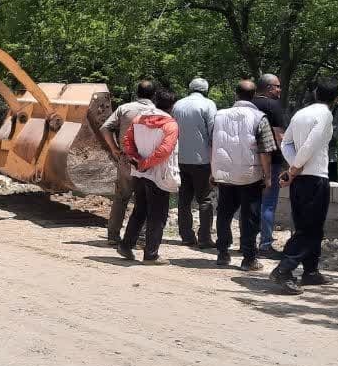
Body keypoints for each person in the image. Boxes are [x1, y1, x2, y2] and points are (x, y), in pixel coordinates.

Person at [270, 78, 338, 295]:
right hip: (315, 178)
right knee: (310, 228)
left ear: (316, 92)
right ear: (336, 97)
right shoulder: (326, 115)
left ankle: (310, 271)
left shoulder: (301, 113)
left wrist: (293, 165)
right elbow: (312, 142)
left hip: (300, 180)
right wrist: (296, 167)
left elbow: (285, 142)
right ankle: (284, 269)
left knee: (309, 226)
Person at [211, 80, 277, 270]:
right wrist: (268, 176)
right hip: (250, 176)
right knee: (250, 217)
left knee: (224, 213)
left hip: (224, 174)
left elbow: (212, 145)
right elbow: (265, 150)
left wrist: (212, 171)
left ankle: (223, 253)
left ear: (235, 94)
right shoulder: (259, 117)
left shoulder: (218, 115)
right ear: (254, 95)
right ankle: (249, 258)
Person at [117, 97, 180, 265]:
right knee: (158, 215)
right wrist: (145, 163)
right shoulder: (170, 124)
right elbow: (165, 150)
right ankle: (151, 255)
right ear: (172, 106)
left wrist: (137, 160)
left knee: (140, 210)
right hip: (159, 175)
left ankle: (126, 245)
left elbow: (127, 141)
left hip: (139, 173)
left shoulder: (138, 120)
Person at [100, 80, 157, 244]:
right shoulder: (157, 112)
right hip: (148, 162)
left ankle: (113, 236)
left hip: (126, 158)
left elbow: (105, 128)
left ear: (137, 93)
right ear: (153, 95)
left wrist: (114, 148)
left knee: (121, 197)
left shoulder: (124, 109)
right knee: (145, 200)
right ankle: (140, 237)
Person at [171, 78, 218, 248]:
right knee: (205, 199)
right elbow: (213, 132)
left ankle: (186, 236)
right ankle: (204, 238)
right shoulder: (208, 105)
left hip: (180, 159)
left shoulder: (177, 105)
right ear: (206, 90)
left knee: (184, 199)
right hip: (202, 160)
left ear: (189, 89)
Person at [253, 74, 289, 256]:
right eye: (277, 86)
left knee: (251, 203)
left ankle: (248, 242)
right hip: (271, 161)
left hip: (250, 163)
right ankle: (265, 245)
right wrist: (287, 162)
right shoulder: (273, 106)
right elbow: (279, 136)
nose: (279, 90)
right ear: (268, 88)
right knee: (268, 203)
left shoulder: (250, 104)